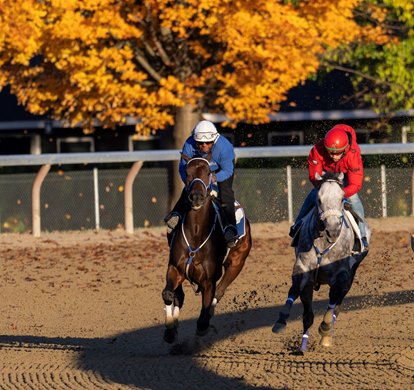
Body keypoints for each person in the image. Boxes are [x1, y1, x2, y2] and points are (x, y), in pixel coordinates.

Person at [289, 123, 369, 251]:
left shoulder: (353, 154)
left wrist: (340, 194)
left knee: (354, 199)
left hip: (345, 177)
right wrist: (324, 190)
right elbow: (314, 175)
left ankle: (362, 235)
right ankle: (297, 226)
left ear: (346, 149)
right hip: (326, 176)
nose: (333, 156)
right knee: (313, 195)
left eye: (337, 153)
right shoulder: (317, 150)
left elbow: (355, 183)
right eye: (330, 152)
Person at [164, 120, 239, 248]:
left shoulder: (224, 147)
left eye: (208, 142)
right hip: (198, 171)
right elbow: (183, 168)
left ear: (214, 140)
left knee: (225, 193)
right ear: (195, 140)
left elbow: (227, 170)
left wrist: (213, 178)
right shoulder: (189, 143)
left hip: (220, 170)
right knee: (190, 190)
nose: (204, 145)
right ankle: (176, 213)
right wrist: (190, 182)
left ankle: (230, 228)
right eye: (200, 143)